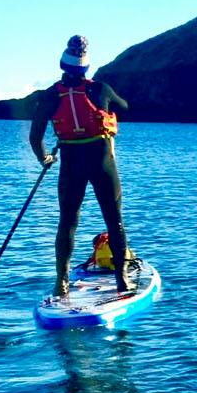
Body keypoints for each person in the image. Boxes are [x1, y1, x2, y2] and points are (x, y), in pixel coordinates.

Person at [28, 35, 134, 299]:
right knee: (114, 221)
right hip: (101, 163)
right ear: (86, 67)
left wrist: (45, 158)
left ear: (63, 65)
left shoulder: (50, 96)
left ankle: (61, 282)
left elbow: (35, 137)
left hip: (71, 165)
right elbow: (126, 107)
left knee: (67, 223)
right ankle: (121, 278)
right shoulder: (100, 90)